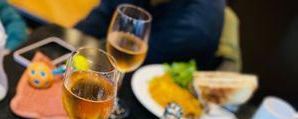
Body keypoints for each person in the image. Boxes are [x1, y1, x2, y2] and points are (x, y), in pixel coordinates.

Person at [76, 0, 225, 69]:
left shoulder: (194, 28)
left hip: (149, 109)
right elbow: (102, 15)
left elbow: (128, 67)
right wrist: (70, 50)